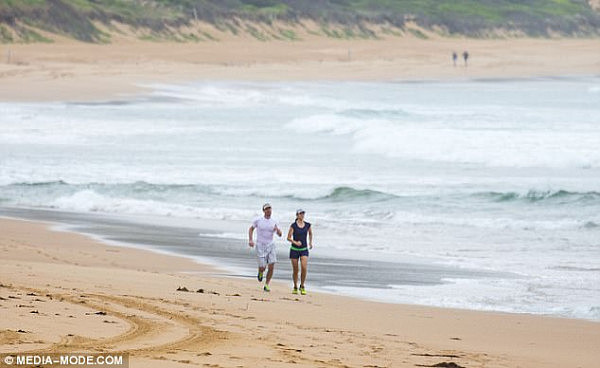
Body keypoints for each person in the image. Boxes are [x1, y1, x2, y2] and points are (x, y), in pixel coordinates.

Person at [248, 203, 282, 292]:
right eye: (266, 209)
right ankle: (260, 272)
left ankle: (267, 284)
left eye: (270, 208)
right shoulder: (258, 220)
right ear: (263, 211)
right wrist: (250, 240)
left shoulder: (274, 221)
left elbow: (280, 234)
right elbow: (251, 229)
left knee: (272, 264)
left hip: (271, 245)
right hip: (260, 245)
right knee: (263, 267)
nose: (269, 210)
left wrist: (278, 231)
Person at [287, 209, 313, 295]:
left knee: (304, 268)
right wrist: (295, 242)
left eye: (303, 214)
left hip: (304, 250)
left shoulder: (307, 225)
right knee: (295, 270)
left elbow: (310, 233)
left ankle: (302, 286)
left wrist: (310, 242)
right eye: (300, 214)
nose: (302, 215)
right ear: (297, 215)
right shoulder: (293, 226)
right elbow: (288, 237)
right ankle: (295, 286)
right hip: (294, 250)